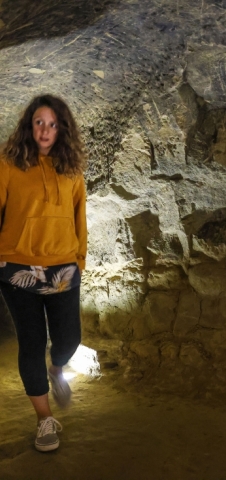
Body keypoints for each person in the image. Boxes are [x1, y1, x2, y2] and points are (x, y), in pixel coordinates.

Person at [0, 94, 87, 452]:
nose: (45, 130)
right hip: (18, 268)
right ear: (29, 126)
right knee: (31, 346)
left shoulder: (72, 169)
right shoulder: (8, 164)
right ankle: (44, 420)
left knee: (69, 339)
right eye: (39, 122)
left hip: (63, 267)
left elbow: (80, 215)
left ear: (61, 128)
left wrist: (79, 259)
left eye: (52, 123)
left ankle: (58, 369)